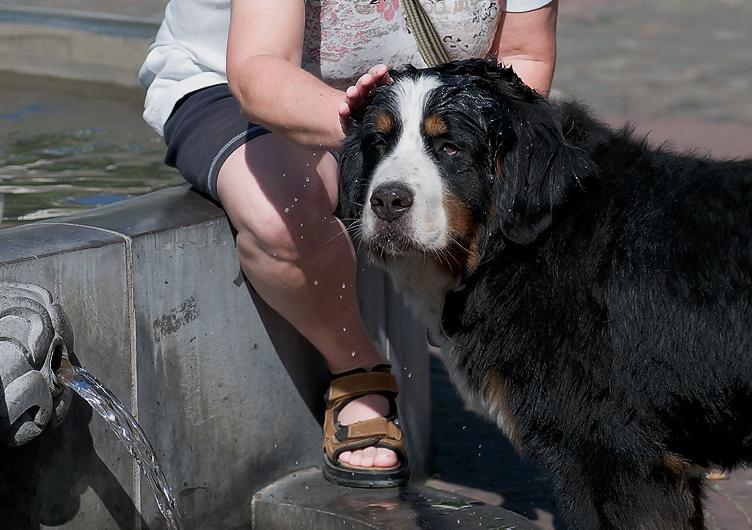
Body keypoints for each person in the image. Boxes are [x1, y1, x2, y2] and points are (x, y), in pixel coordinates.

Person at [139, 0, 559, 488]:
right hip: (244, 92)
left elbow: (522, 56)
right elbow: (259, 69)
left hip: (428, 108)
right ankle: (356, 369)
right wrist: (366, 125)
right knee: (279, 213)